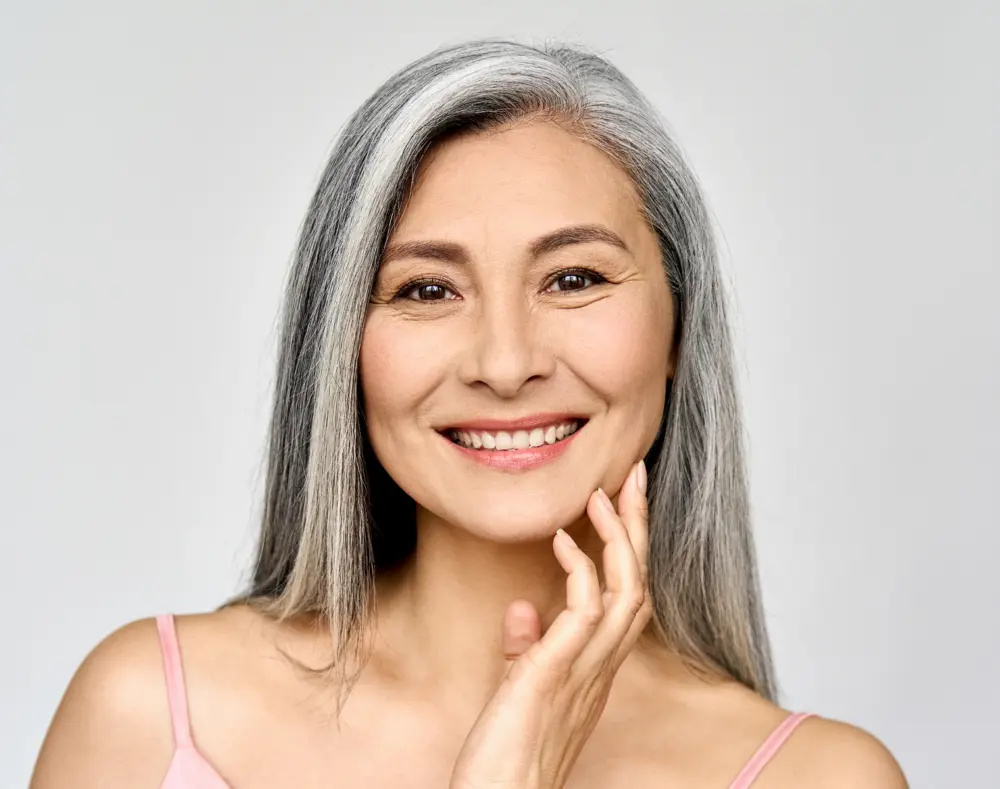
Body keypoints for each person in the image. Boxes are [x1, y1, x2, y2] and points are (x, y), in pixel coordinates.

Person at [30, 38, 908, 788]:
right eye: (427, 288)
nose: (504, 363)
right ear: (341, 344)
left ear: (678, 325)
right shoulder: (148, 716)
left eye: (574, 279)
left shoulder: (818, 775)